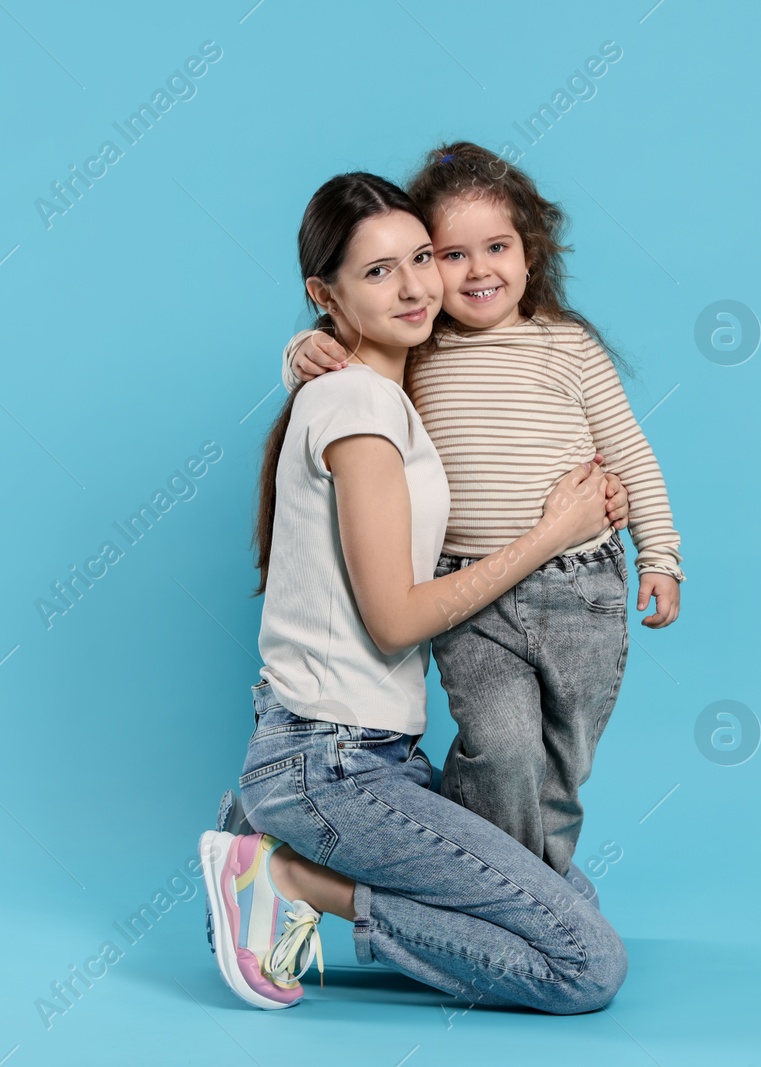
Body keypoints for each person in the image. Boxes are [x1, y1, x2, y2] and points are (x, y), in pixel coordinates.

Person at [200, 172, 629, 1014]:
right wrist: (553, 532)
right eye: (377, 272)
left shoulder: (385, 391)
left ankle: (281, 851)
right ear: (324, 294)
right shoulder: (359, 406)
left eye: (422, 257)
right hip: (329, 762)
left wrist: (302, 350)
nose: (415, 286)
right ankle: (288, 877)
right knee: (584, 965)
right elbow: (395, 618)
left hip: (373, 757)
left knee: (569, 908)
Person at [278, 141, 685, 884]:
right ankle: (506, 896)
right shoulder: (422, 347)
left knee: (562, 764)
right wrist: (304, 349)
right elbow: (347, 358)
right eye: (451, 254)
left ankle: (539, 891)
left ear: (531, 255)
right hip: (471, 593)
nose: (476, 270)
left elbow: (631, 451)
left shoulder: (568, 347)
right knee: (501, 747)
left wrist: (660, 555)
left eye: (497, 247)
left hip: (581, 587)